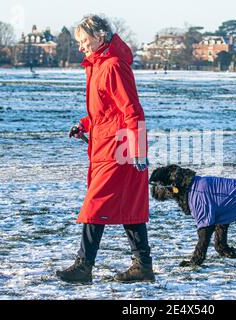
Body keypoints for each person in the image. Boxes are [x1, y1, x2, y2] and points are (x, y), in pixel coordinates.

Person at [56, 14, 155, 284]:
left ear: (100, 37)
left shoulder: (112, 66)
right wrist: (85, 124)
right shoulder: (97, 67)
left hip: (120, 149)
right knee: (126, 207)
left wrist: (137, 149)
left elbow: (132, 109)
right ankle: (143, 267)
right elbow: (107, 111)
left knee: (95, 205)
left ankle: (83, 266)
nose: (81, 47)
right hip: (104, 145)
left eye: (84, 41)